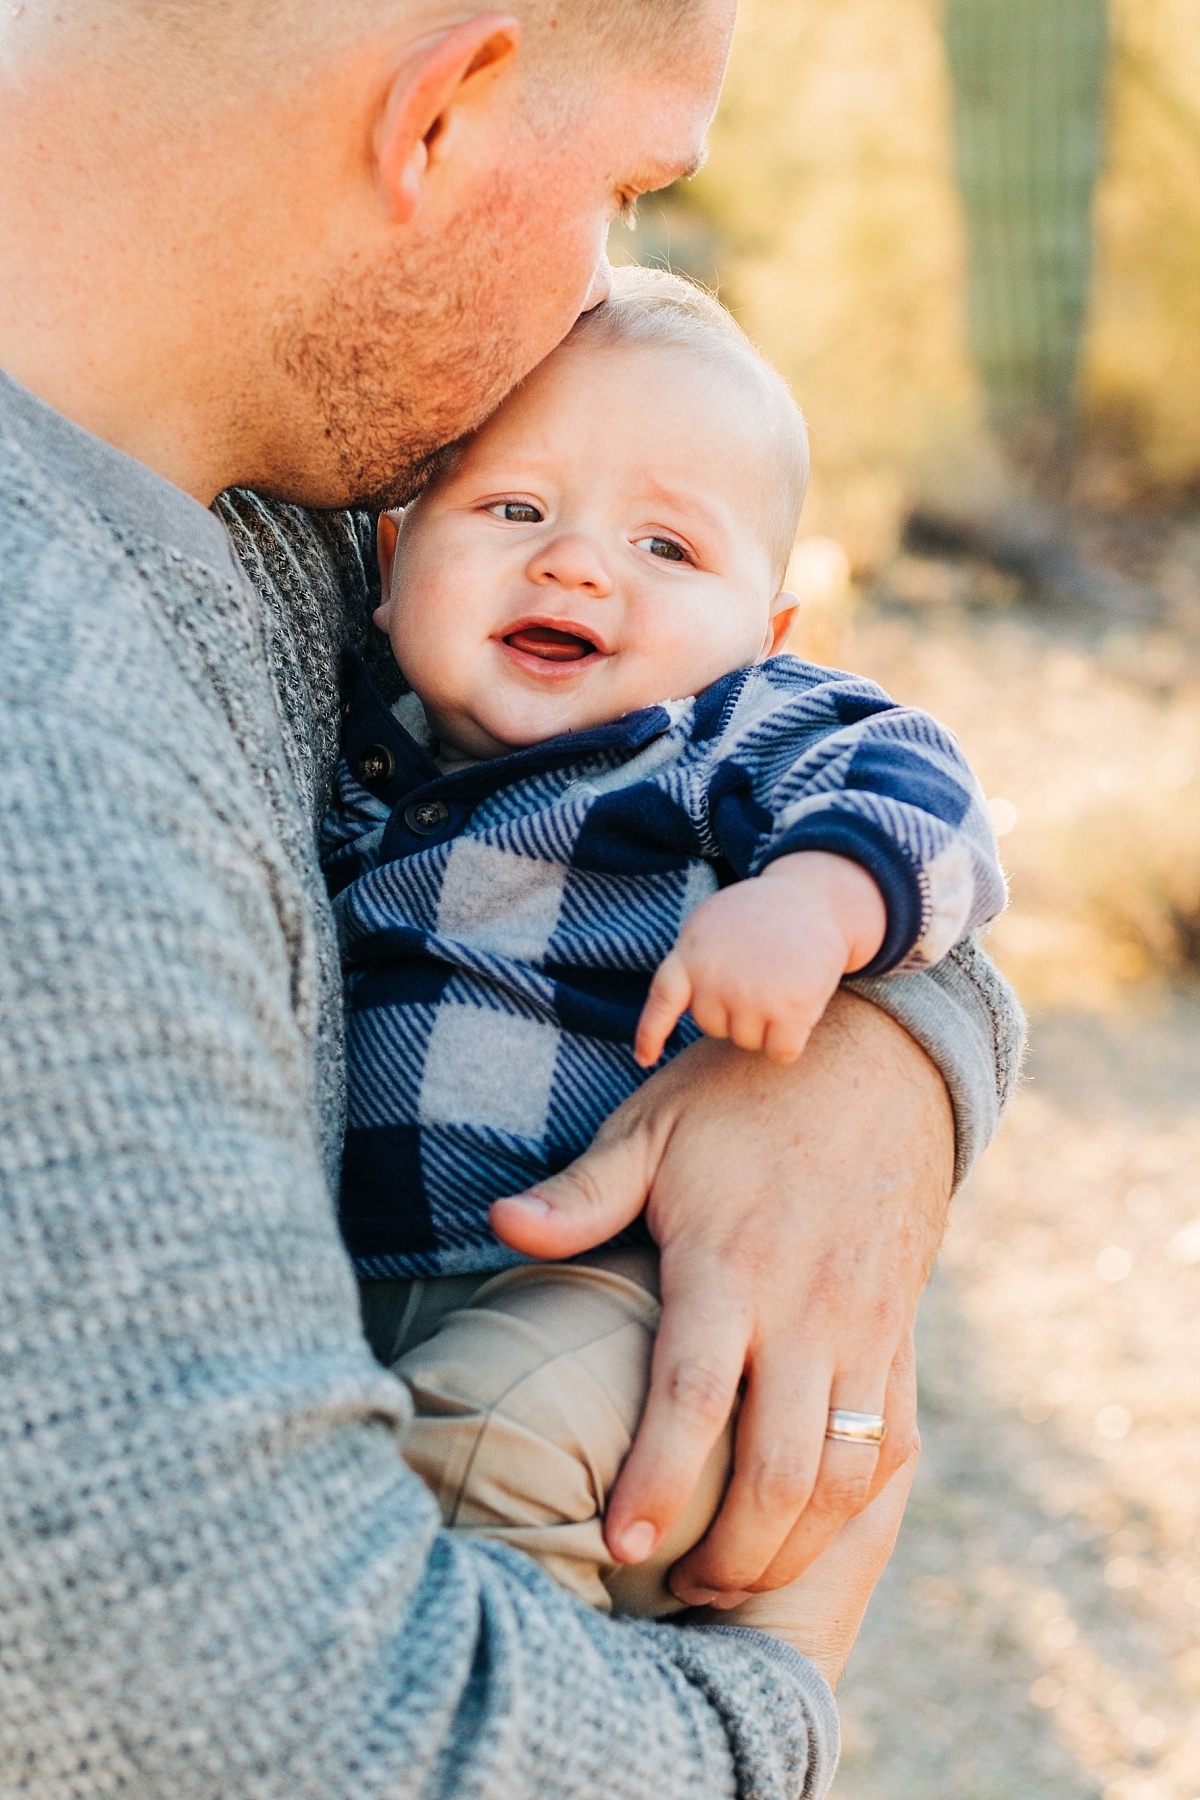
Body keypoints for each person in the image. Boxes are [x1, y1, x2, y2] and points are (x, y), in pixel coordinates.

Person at [0, 2, 1024, 1796]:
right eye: (628, 186)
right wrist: (772, 1694)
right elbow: (280, 1733)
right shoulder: (51, 755)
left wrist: (881, 1059)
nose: (597, 289)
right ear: (444, 111)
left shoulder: (294, 494)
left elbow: (847, 776)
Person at [323, 266, 1008, 1614]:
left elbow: (924, 801)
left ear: (766, 634)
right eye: (514, 509)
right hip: (374, 1290)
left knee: (481, 1470)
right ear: (395, 574)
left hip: (615, 1298)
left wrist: (813, 901)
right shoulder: (360, 751)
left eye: (668, 548)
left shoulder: (718, 737)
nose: (574, 561)